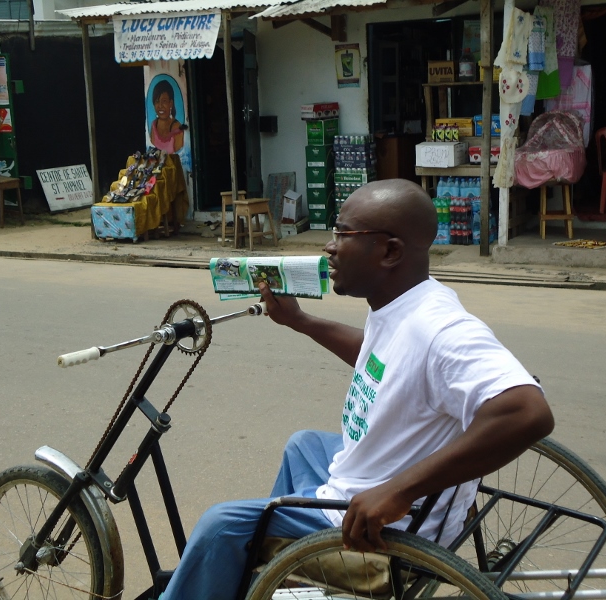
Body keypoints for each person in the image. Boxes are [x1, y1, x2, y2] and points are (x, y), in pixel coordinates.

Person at [162, 179, 554, 600]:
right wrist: (301, 322)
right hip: (375, 476)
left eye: (343, 235)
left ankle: (284, 554)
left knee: (221, 526)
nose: (329, 247)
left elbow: (527, 411)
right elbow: (380, 358)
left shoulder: (439, 329)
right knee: (304, 445)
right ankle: (285, 570)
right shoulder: (404, 302)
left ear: (390, 252)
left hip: (390, 526)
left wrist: (398, 491)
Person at [150, 79, 186, 154]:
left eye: (164, 101)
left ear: (171, 103)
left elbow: (179, 155)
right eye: (157, 101)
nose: (160, 106)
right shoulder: (154, 126)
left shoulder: (177, 128)